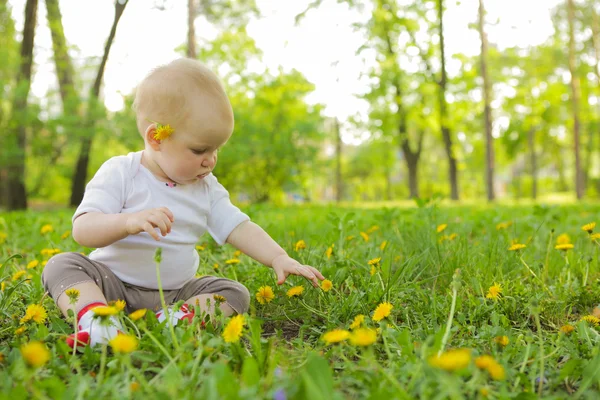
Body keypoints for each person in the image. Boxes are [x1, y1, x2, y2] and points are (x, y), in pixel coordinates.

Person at [41, 58, 325, 349]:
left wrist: (277, 257)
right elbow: (83, 229)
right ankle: (99, 321)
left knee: (233, 292)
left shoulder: (206, 188)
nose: (210, 159)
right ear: (157, 138)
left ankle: (175, 320)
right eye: (200, 149)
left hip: (175, 293)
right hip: (111, 284)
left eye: (216, 149)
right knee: (61, 265)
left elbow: (239, 227)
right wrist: (128, 222)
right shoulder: (123, 172)